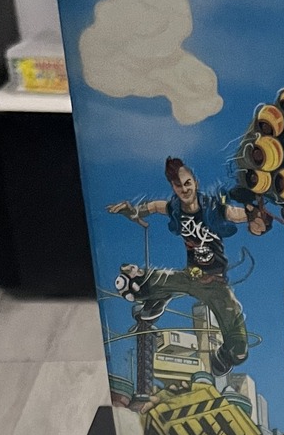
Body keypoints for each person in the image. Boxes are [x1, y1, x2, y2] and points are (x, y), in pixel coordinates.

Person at [108, 159, 266, 375]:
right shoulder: (175, 208)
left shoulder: (212, 207)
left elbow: (232, 213)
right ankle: (150, 310)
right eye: (179, 185)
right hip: (190, 276)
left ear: (195, 183)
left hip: (214, 284)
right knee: (140, 283)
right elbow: (156, 206)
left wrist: (253, 216)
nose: (184, 189)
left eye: (187, 183)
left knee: (239, 350)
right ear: (173, 187)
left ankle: (224, 357)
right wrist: (135, 211)